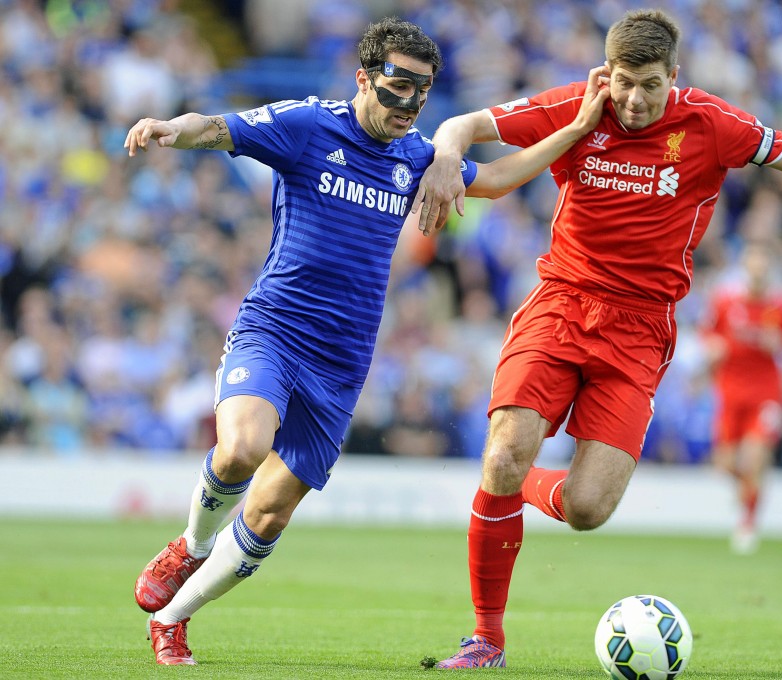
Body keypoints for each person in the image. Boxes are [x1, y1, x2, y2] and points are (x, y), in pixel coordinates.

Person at [413, 8, 782, 669]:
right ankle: (487, 637)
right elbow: (467, 124)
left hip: (640, 330)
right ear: (607, 73)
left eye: (651, 85)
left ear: (674, 77)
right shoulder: (580, 106)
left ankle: (508, 486)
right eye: (625, 82)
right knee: (508, 447)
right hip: (562, 306)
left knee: (586, 509)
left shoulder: (712, 124)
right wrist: (446, 155)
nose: (634, 100)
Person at [124, 17, 609, 666]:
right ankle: (189, 546)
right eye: (397, 85)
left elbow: (492, 181)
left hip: (343, 360)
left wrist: (575, 130)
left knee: (268, 517)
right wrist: (168, 129)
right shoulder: (307, 125)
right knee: (242, 448)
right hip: (276, 326)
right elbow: (218, 127)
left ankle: (173, 618)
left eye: (423, 90)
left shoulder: (416, 159)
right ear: (363, 77)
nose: (408, 103)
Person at [701, 242, 782, 554]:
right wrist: (714, 346)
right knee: (725, 464)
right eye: (753, 267)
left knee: (754, 459)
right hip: (730, 390)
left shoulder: (780, 306)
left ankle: (748, 522)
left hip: (766, 392)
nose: (758, 274)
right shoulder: (726, 301)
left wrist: (779, 343)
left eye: (763, 268)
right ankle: (749, 492)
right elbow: (707, 334)